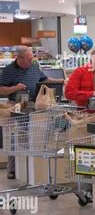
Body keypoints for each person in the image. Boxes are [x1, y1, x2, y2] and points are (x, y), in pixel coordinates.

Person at [0, 45, 64, 180]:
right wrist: (14, 88)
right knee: (16, 137)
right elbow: (1, 89)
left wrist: (59, 81)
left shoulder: (34, 67)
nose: (31, 61)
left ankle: (30, 167)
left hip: (34, 106)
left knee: (33, 136)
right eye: (29, 59)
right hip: (16, 106)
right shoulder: (8, 70)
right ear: (20, 58)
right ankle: (12, 169)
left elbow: (43, 80)